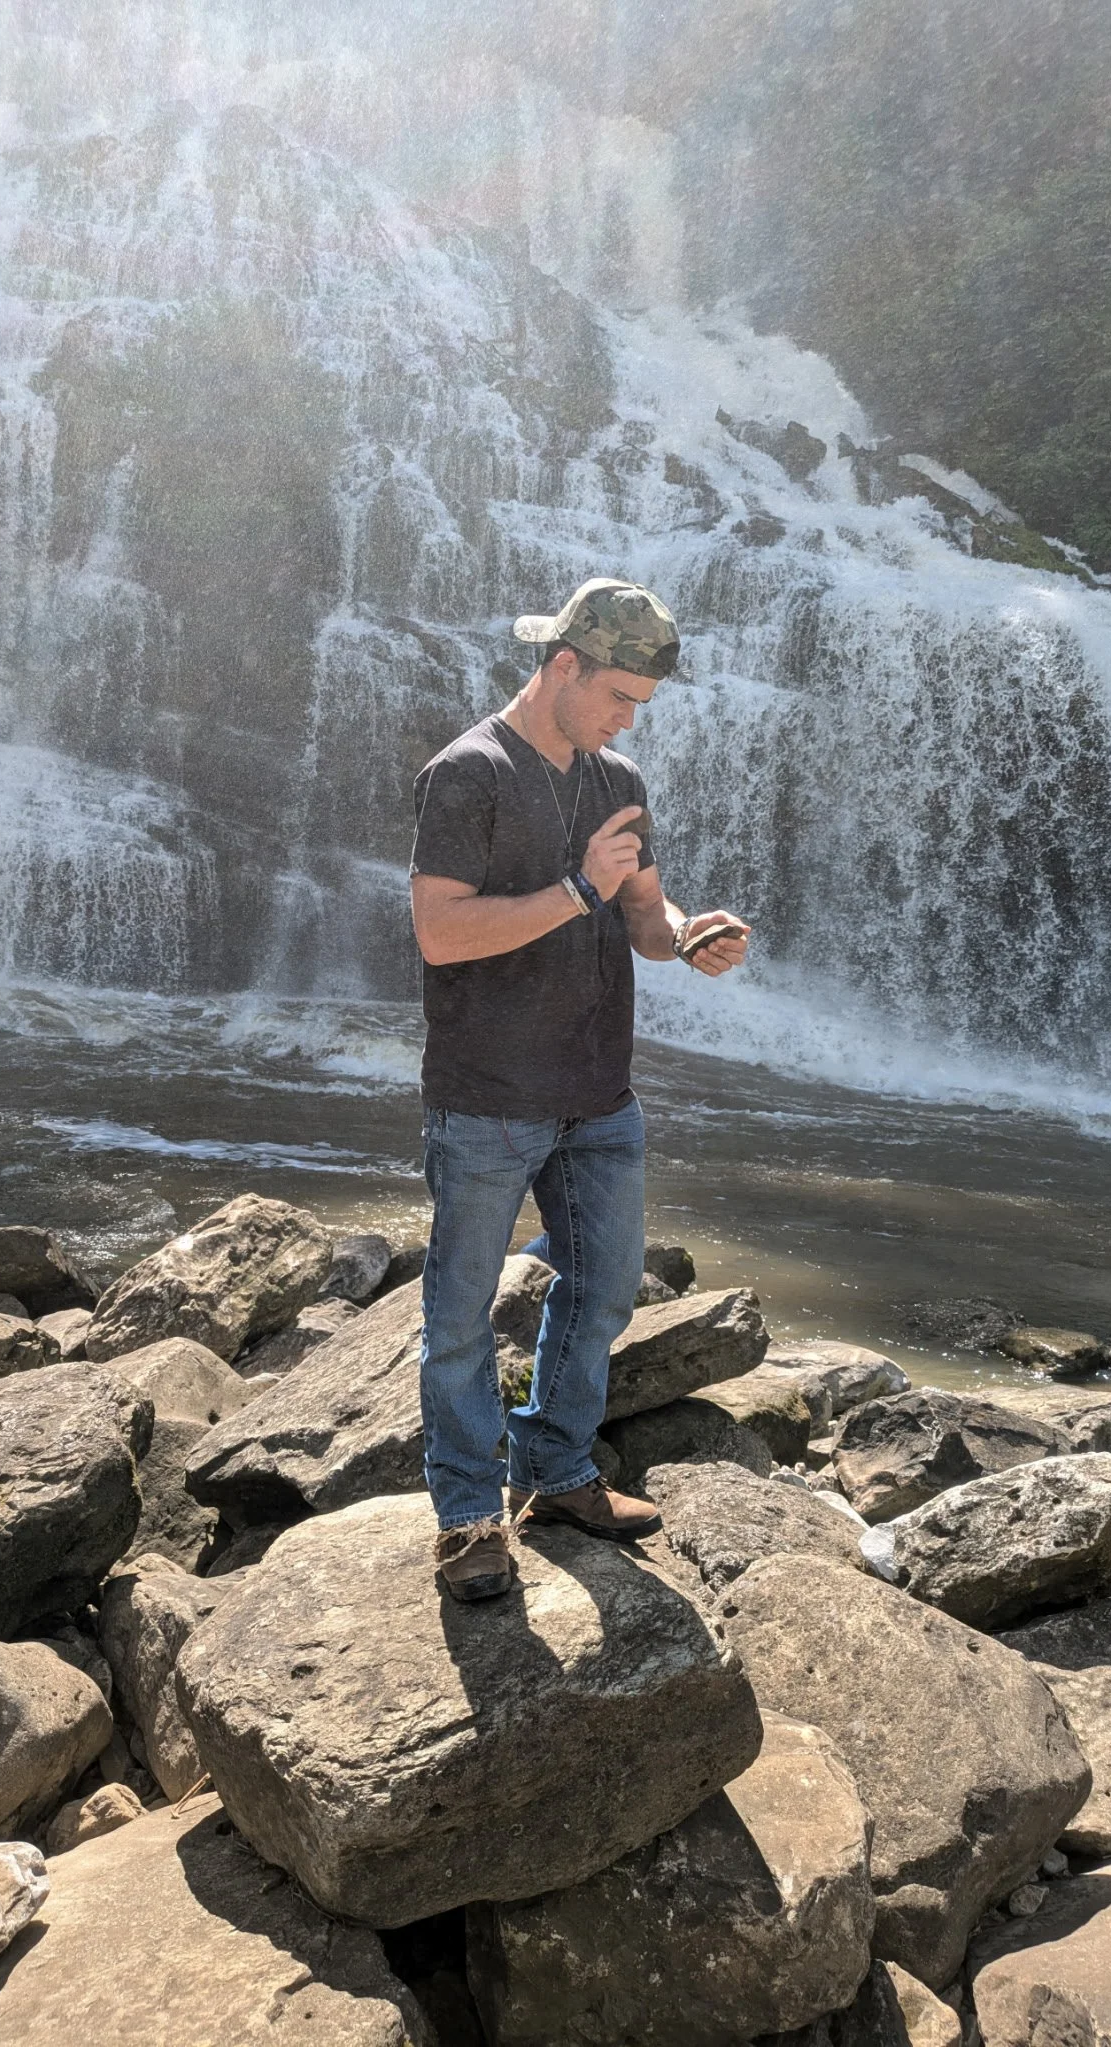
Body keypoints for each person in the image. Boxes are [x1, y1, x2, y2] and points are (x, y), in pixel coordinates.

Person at [409, 577, 750, 1603]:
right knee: (461, 1317)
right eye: (617, 696)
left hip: (598, 1094)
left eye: (638, 704)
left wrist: (687, 937)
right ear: (563, 667)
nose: (627, 718)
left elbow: (643, 912)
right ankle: (468, 1517)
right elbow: (440, 931)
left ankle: (554, 1471)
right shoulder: (465, 775)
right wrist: (575, 892)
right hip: (487, 1097)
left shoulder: (616, 777)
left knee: (601, 1291)